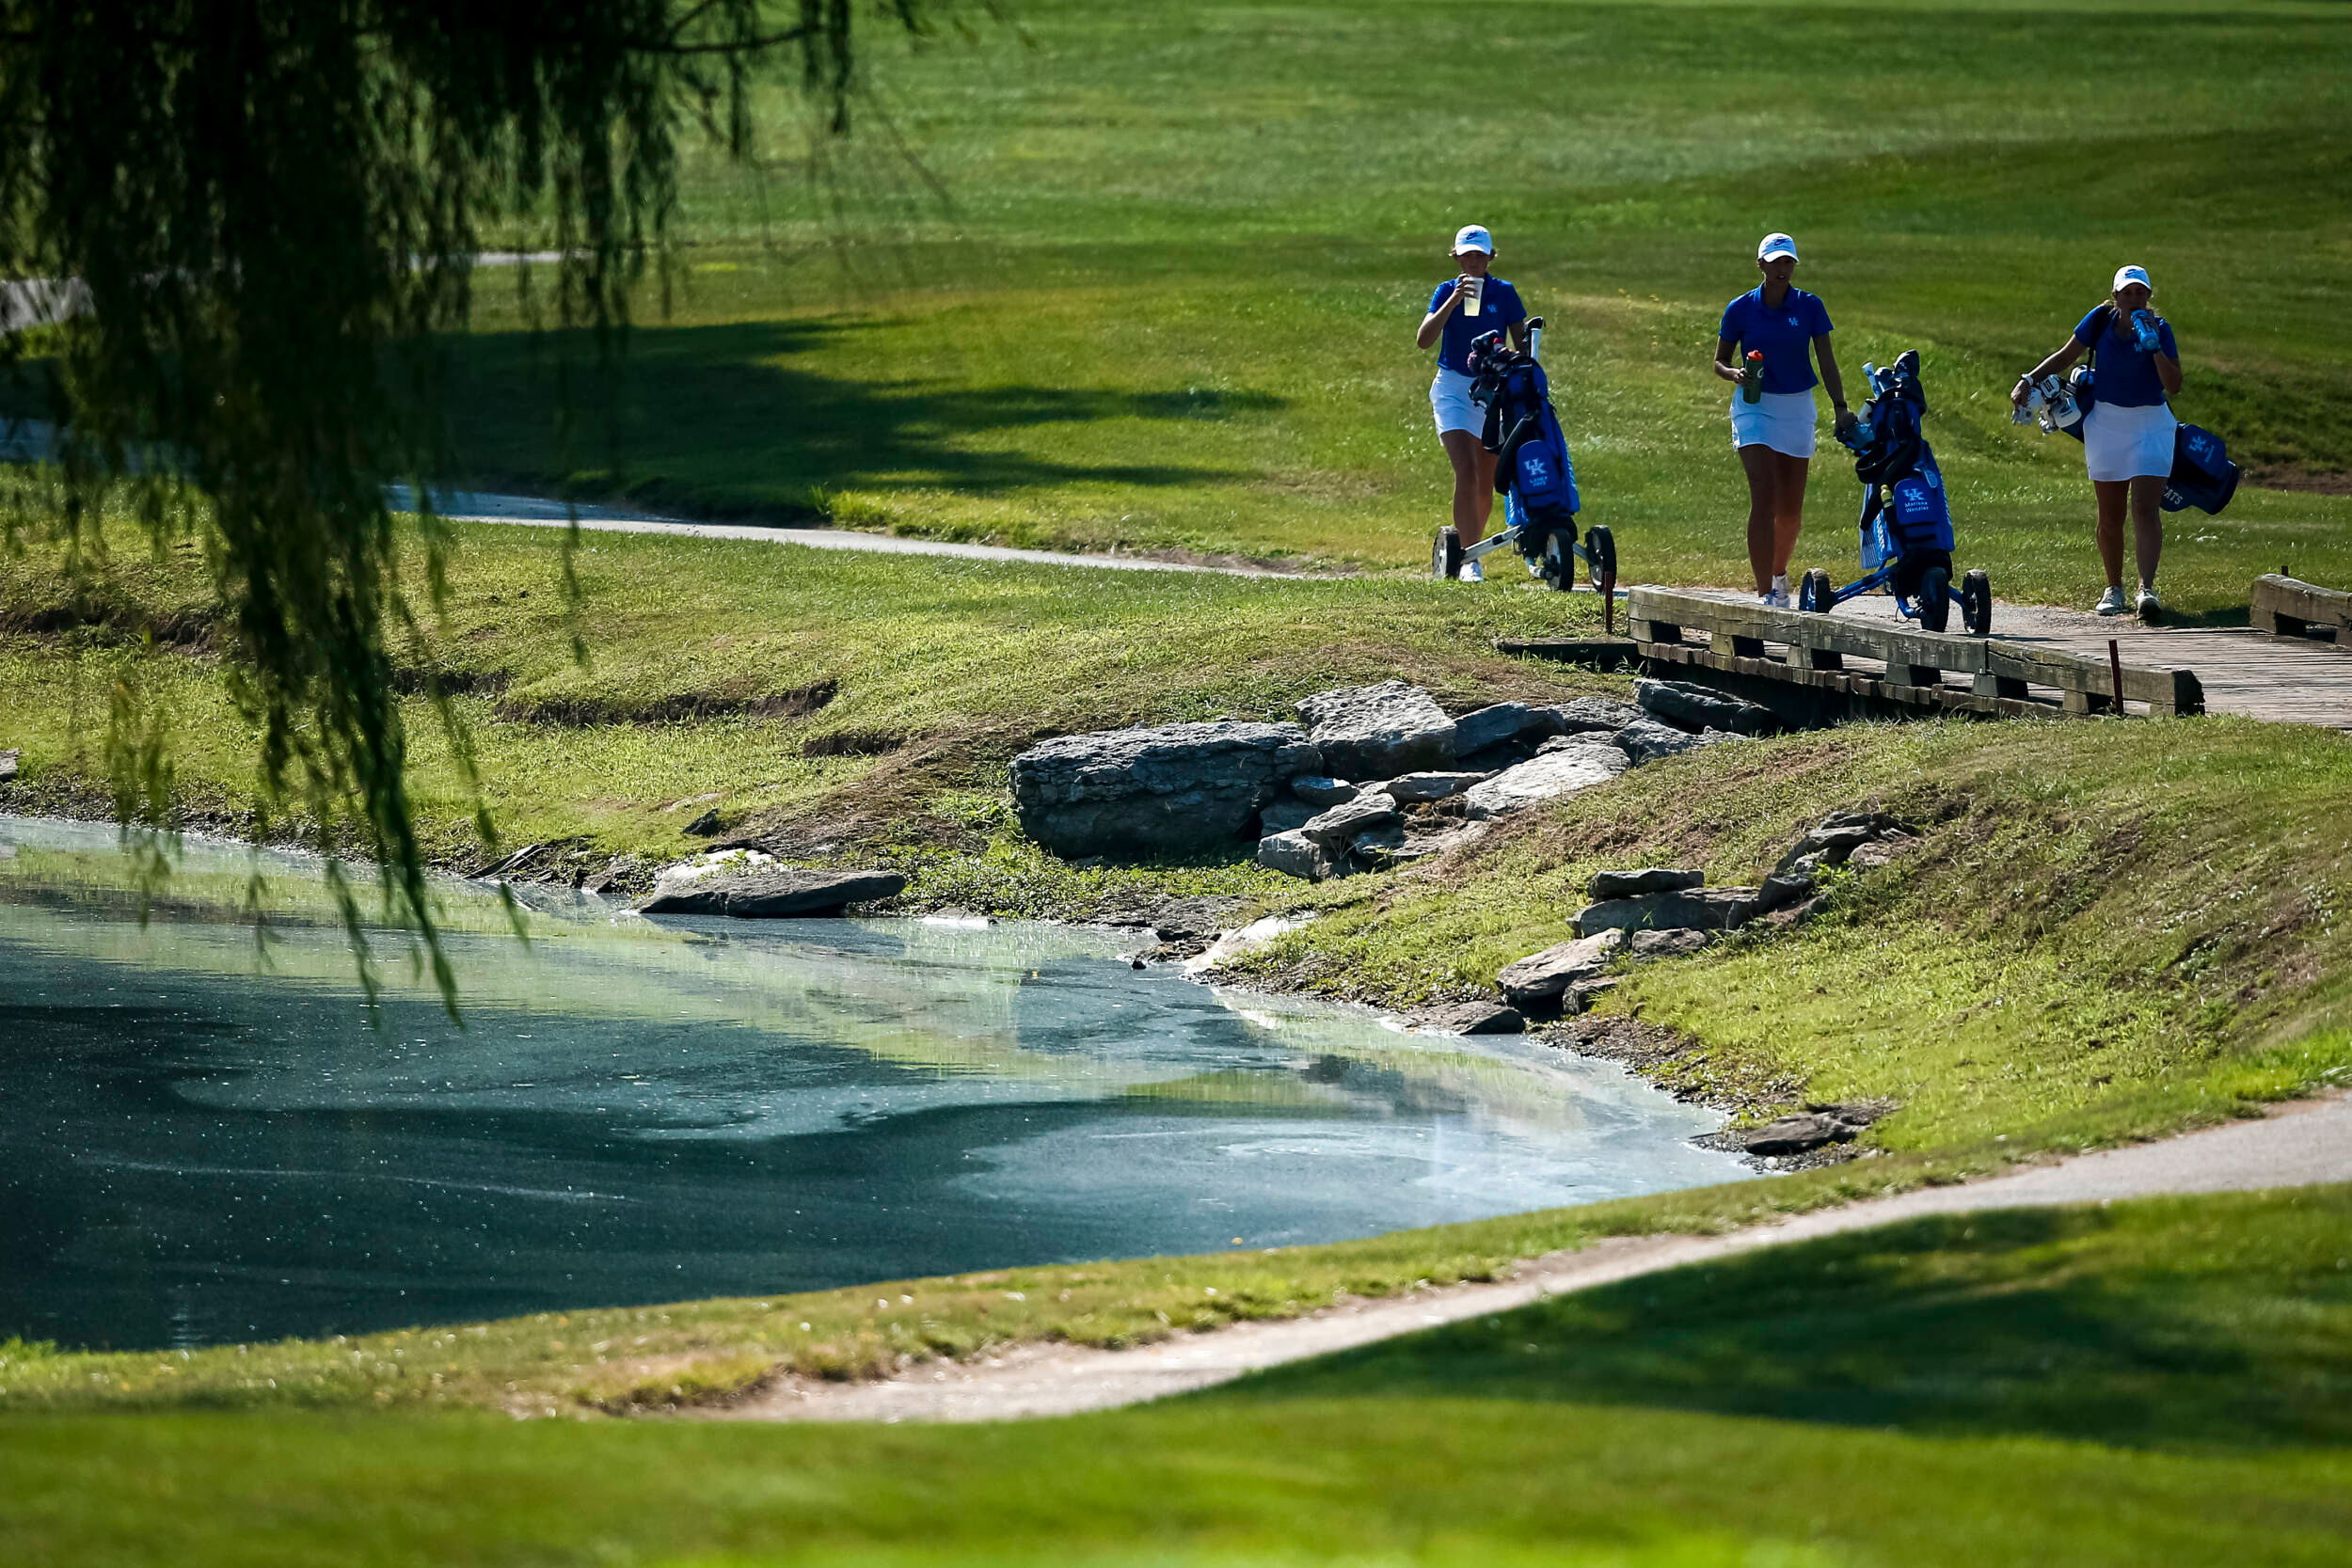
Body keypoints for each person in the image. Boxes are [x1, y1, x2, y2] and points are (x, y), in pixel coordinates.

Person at [2010, 265, 2183, 617]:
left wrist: (2153, 348)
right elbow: (2066, 355)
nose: (2134, 299)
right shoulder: (2100, 320)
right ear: (2116, 295)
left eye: (2141, 293)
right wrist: (2028, 379)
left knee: (2145, 510)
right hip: (2107, 423)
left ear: (2148, 297)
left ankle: (2145, 590)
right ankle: (2114, 588)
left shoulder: (2161, 330)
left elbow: (2175, 385)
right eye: (2128, 292)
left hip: (2151, 423)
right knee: (2111, 514)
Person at [1710, 233, 1854, 606]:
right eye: (1775, 262)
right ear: (1760, 264)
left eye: (1788, 262)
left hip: (1797, 407)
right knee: (1765, 497)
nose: (1782, 269)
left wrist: (1840, 406)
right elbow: (1719, 361)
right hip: (1754, 405)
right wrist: (1734, 374)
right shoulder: (1740, 308)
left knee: (1790, 511)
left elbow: (1826, 359)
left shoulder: (1810, 306)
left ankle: (1778, 576)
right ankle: (1764, 595)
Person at [1415, 224, 1527, 581]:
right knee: (1465, 470)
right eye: (1467, 255)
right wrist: (1453, 302)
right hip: (1452, 388)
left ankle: (1472, 551)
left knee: (1485, 479)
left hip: (1491, 390)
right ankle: (1467, 559)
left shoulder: (1504, 293)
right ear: (1457, 257)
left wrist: (1510, 361)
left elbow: (1523, 344)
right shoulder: (1446, 290)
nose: (1473, 262)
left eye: (1479, 255)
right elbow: (1424, 340)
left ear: (1490, 257)